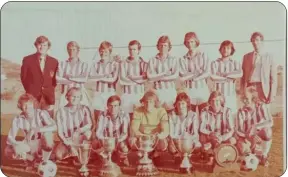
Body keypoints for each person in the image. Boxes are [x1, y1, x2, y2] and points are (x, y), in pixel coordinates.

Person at [5, 93, 56, 170]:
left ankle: (44, 162)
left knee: (47, 134)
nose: (28, 108)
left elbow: (54, 126)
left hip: (41, 143)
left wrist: (36, 129)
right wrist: (16, 145)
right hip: (29, 143)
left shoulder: (41, 113)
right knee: (8, 151)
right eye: (24, 106)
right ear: (20, 106)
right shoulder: (17, 119)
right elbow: (10, 137)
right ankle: (31, 159)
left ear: (33, 105)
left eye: (29, 106)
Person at [20, 36, 58, 117]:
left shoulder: (54, 61)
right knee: (33, 121)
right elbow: (24, 78)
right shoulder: (27, 60)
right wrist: (31, 91)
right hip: (32, 97)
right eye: (40, 44)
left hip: (48, 97)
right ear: (36, 45)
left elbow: (54, 81)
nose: (42, 47)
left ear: (48, 47)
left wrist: (48, 89)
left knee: (48, 122)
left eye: (45, 45)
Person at [130, 90, 169, 164]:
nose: (148, 104)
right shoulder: (137, 111)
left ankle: (156, 154)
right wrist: (142, 136)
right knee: (132, 141)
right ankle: (144, 154)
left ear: (155, 102)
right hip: (142, 137)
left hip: (155, 137)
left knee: (162, 142)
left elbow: (165, 130)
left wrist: (159, 135)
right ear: (143, 102)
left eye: (151, 101)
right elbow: (134, 128)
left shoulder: (161, 111)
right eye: (146, 101)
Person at [54, 87, 93, 163]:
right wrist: (69, 145)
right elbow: (60, 133)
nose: (75, 99)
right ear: (67, 97)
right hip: (68, 141)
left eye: (78, 97)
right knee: (58, 155)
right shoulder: (60, 111)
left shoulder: (84, 108)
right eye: (73, 96)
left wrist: (79, 130)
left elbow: (89, 124)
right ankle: (73, 154)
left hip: (80, 139)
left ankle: (82, 153)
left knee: (88, 133)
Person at [88, 41, 119, 132]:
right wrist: (105, 75)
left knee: (111, 114)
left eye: (105, 51)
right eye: (101, 51)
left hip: (110, 93)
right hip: (98, 92)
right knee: (98, 115)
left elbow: (113, 79)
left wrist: (99, 77)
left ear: (110, 52)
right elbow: (92, 77)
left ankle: (111, 134)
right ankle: (98, 136)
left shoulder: (114, 64)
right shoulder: (96, 64)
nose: (103, 53)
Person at [235, 92, 273, 166]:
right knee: (244, 152)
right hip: (246, 137)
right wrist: (250, 136)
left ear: (253, 99)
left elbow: (270, 122)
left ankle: (264, 155)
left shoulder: (261, 106)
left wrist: (255, 127)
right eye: (243, 99)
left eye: (246, 98)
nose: (244, 101)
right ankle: (255, 152)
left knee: (267, 131)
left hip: (258, 135)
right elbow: (238, 129)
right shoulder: (240, 111)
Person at [241, 32, 277, 106]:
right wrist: (243, 92)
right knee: (249, 114)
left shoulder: (269, 57)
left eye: (257, 40)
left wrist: (272, 95)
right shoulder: (246, 57)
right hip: (249, 88)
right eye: (253, 40)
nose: (255, 42)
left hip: (262, 89)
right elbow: (243, 77)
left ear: (261, 41)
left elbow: (273, 78)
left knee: (263, 114)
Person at [211, 40, 243, 123]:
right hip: (219, 95)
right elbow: (213, 77)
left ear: (232, 50)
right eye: (224, 48)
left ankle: (232, 134)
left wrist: (224, 74)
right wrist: (229, 78)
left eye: (228, 48)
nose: (225, 50)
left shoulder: (235, 63)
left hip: (230, 95)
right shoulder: (215, 63)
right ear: (220, 49)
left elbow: (240, 74)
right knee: (219, 116)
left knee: (232, 116)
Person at [179, 32, 211, 114]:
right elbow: (183, 76)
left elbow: (207, 72)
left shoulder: (203, 55)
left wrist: (195, 77)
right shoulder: (183, 59)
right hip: (190, 91)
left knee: (204, 115)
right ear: (185, 43)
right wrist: (199, 72)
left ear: (196, 42)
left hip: (202, 90)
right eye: (188, 42)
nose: (190, 44)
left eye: (192, 41)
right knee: (190, 116)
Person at [93, 95, 130, 166]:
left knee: (124, 147)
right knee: (95, 142)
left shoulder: (124, 114)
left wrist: (116, 141)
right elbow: (99, 132)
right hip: (106, 140)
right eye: (111, 105)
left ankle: (123, 157)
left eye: (115, 106)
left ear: (119, 106)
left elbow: (125, 133)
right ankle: (102, 157)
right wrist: (105, 141)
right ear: (107, 106)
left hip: (118, 140)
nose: (113, 108)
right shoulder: (102, 114)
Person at [147, 35, 179, 110]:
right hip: (158, 91)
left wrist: (157, 77)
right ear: (158, 46)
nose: (163, 48)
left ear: (169, 47)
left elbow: (175, 76)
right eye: (161, 45)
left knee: (170, 112)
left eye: (165, 45)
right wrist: (165, 74)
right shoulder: (152, 60)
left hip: (170, 90)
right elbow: (150, 77)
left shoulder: (173, 59)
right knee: (159, 114)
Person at [56, 41, 90, 109]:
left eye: (74, 49)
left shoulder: (84, 64)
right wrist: (77, 79)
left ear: (78, 50)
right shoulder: (62, 64)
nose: (71, 51)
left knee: (81, 115)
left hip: (80, 94)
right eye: (69, 49)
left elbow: (84, 79)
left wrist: (70, 77)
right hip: (66, 94)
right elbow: (58, 79)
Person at [168, 92, 201, 163]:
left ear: (187, 104)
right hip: (177, 141)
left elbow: (195, 133)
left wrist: (188, 140)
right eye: (178, 103)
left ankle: (188, 154)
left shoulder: (193, 115)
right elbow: (171, 133)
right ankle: (177, 155)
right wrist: (179, 140)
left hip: (189, 141)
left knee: (198, 145)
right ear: (176, 104)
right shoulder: (172, 115)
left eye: (183, 103)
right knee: (171, 147)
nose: (180, 106)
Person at [119, 40, 148, 119]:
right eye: (130, 49)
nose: (132, 51)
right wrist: (138, 80)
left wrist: (131, 77)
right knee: (127, 119)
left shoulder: (144, 64)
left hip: (139, 95)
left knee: (139, 118)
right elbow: (122, 80)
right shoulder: (123, 63)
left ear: (139, 50)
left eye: (134, 49)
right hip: (127, 95)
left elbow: (144, 79)